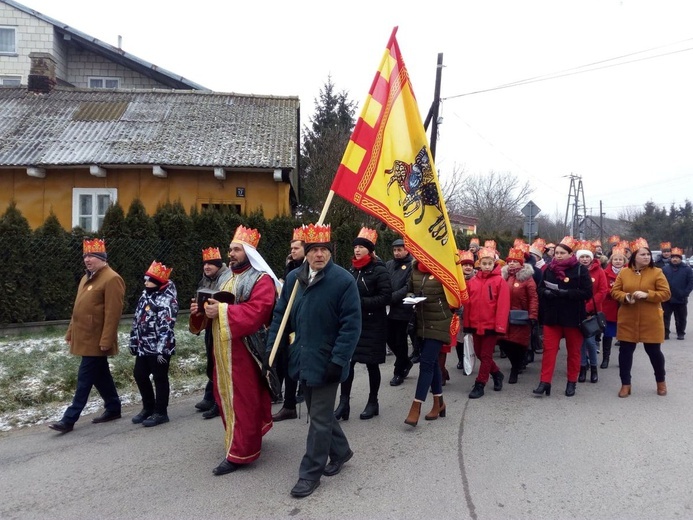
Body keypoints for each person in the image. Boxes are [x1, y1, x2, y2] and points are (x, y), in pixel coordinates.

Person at [265, 223, 361, 498]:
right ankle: (341, 451)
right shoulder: (294, 279)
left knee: (317, 419)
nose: (319, 254)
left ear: (331, 251)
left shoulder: (343, 281)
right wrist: (272, 351)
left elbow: (351, 326)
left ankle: (310, 474)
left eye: (324, 249)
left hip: (328, 361)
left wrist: (339, 360)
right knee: (321, 414)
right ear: (305, 252)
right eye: (314, 249)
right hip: (301, 358)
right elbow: (280, 317)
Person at [202, 225, 281, 476]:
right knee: (225, 396)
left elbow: (259, 311)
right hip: (222, 349)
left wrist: (222, 312)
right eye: (230, 249)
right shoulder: (226, 277)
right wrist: (202, 309)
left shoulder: (262, 279)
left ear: (249, 252)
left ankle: (241, 452)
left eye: (236, 249)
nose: (231, 254)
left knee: (242, 400)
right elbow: (217, 304)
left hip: (246, 351)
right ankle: (240, 439)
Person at [49, 239, 125, 433]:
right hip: (84, 336)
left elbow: (113, 313)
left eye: (91, 256)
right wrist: (70, 331)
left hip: (97, 339)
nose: (87, 259)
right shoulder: (86, 278)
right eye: (85, 256)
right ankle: (113, 407)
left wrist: (107, 339)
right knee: (100, 376)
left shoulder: (112, 278)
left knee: (84, 379)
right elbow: (78, 309)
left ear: (102, 258)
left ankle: (69, 419)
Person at [335, 227, 391, 420]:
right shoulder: (351, 269)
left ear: (370, 249)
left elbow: (385, 297)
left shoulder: (379, 269)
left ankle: (373, 402)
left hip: (374, 324)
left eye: (361, 247)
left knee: (372, 365)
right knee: (348, 363)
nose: (357, 250)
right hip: (353, 324)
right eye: (355, 247)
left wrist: (361, 303)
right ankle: (344, 403)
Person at [611, 238, 671, 397]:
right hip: (628, 319)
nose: (646, 257)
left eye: (648, 254)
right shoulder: (624, 272)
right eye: (643, 254)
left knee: (654, 353)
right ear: (634, 257)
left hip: (650, 319)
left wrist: (648, 295)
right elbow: (615, 292)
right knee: (625, 352)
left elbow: (666, 294)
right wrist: (626, 297)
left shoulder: (657, 272)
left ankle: (661, 382)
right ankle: (625, 384)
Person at [533, 236, 592, 397]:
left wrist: (566, 293)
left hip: (573, 317)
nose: (557, 256)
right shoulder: (549, 269)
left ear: (570, 254)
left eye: (561, 253)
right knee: (549, 351)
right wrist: (545, 292)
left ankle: (571, 382)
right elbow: (539, 288)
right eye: (556, 253)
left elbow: (587, 293)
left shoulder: (580, 269)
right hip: (552, 317)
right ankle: (545, 382)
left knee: (573, 352)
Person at [403, 257, 455, 425]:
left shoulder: (443, 269)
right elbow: (409, 290)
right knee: (432, 364)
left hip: (440, 323)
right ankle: (439, 404)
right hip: (421, 323)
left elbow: (455, 295)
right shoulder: (415, 270)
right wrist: (411, 297)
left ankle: (416, 407)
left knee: (426, 363)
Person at [129, 261, 178, 427]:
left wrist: (161, 351)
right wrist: (134, 341)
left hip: (159, 348)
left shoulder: (167, 301)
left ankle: (161, 412)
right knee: (140, 374)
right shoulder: (145, 296)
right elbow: (137, 320)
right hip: (144, 346)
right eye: (145, 279)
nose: (145, 283)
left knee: (159, 377)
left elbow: (166, 327)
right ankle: (148, 407)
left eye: (149, 280)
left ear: (158, 283)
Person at [463, 246, 510, 399]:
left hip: (491, 325)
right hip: (476, 324)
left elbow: (503, 306)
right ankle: (497, 374)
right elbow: (468, 304)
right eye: (484, 263)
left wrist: (500, 326)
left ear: (494, 263)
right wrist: (467, 324)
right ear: (479, 264)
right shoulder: (473, 282)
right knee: (478, 353)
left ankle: (480, 383)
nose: (487, 266)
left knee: (486, 354)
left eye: (490, 263)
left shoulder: (500, 281)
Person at [190, 247, 229, 419]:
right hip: (209, 326)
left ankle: (217, 402)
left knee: (219, 363)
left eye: (210, 264)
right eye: (205, 263)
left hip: (223, 325)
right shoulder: (205, 280)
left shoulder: (227, 278)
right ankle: (210, 395)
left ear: (218, 265)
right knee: (212, 362)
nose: (206, 267)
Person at [272, 228, 306, 422]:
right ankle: (289, 403)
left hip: (303, 321)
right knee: (287, 360)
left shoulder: (309, 268)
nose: (292, 251)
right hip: (289, 320)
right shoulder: (290, 267)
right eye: (291, 248)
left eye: (296, 248)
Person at [499, 247, 538, 384]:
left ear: (521, 263)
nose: (511, 264)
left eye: (515, 261)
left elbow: (533, 298)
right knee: (503, 342)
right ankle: (516, 363)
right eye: (510, 261)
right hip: (504, 316)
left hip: (520, 316)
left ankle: (515, 369)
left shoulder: (527, 278)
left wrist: (533, 315)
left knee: (518, 344)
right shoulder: (503, 276)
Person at [576, 243, 607, 384]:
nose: (584, 259)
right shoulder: (575, 270)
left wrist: (588, 307)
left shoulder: (599, 271)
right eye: (581, 256)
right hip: (577, 310)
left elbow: (602, 291)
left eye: (587, 256)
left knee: (590, 341)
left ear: (591, 258)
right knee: (580, 341)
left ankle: (593, 368)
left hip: (593, 311)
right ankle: (582, 367)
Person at [386, 238, 415, 387]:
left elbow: (408, 287)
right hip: (388, 309)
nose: (397, 253)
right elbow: (383, 282)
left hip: (402, 309)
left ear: (406, 250)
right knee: (389, 339)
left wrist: (391, 298)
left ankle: (399, 371)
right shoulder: (389, 265)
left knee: (400, 340)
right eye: (395, 250)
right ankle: (406, 361)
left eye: (400, 250)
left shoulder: (411, 265)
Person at [600, 247, 627, 368]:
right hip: (610, 307)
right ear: (611, 260)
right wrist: (616, 293)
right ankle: (606, 358)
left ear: (624, 261)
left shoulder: (629, 272)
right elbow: (604, 288)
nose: (617, 261)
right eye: (615, 259)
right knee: (608, 334)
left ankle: (623, 360)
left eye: (620, 259)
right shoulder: (605, 273)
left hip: (625, 308)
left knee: (624, 336)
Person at [662, 247, 693, 340]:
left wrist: (685, 293)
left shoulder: (687, 269)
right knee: (665, 317)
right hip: (667, 298)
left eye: (677, 257)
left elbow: (691, 282)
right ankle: (665, 333)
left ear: (680, 258)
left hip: (681, 298)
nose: (675, 259)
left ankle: (680, 332)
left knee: (681, 317)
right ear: (670, 258)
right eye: (673, 257)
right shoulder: (665, 269)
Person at [455, 250, 476, 370]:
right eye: (465, 265)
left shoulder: (476, 279)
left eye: (470, 265)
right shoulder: (457, 279)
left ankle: (469, 358)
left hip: (472, 314)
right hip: (459, 314)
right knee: (459, 339)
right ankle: (460, 360)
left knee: (470, 339)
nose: (468, 267)